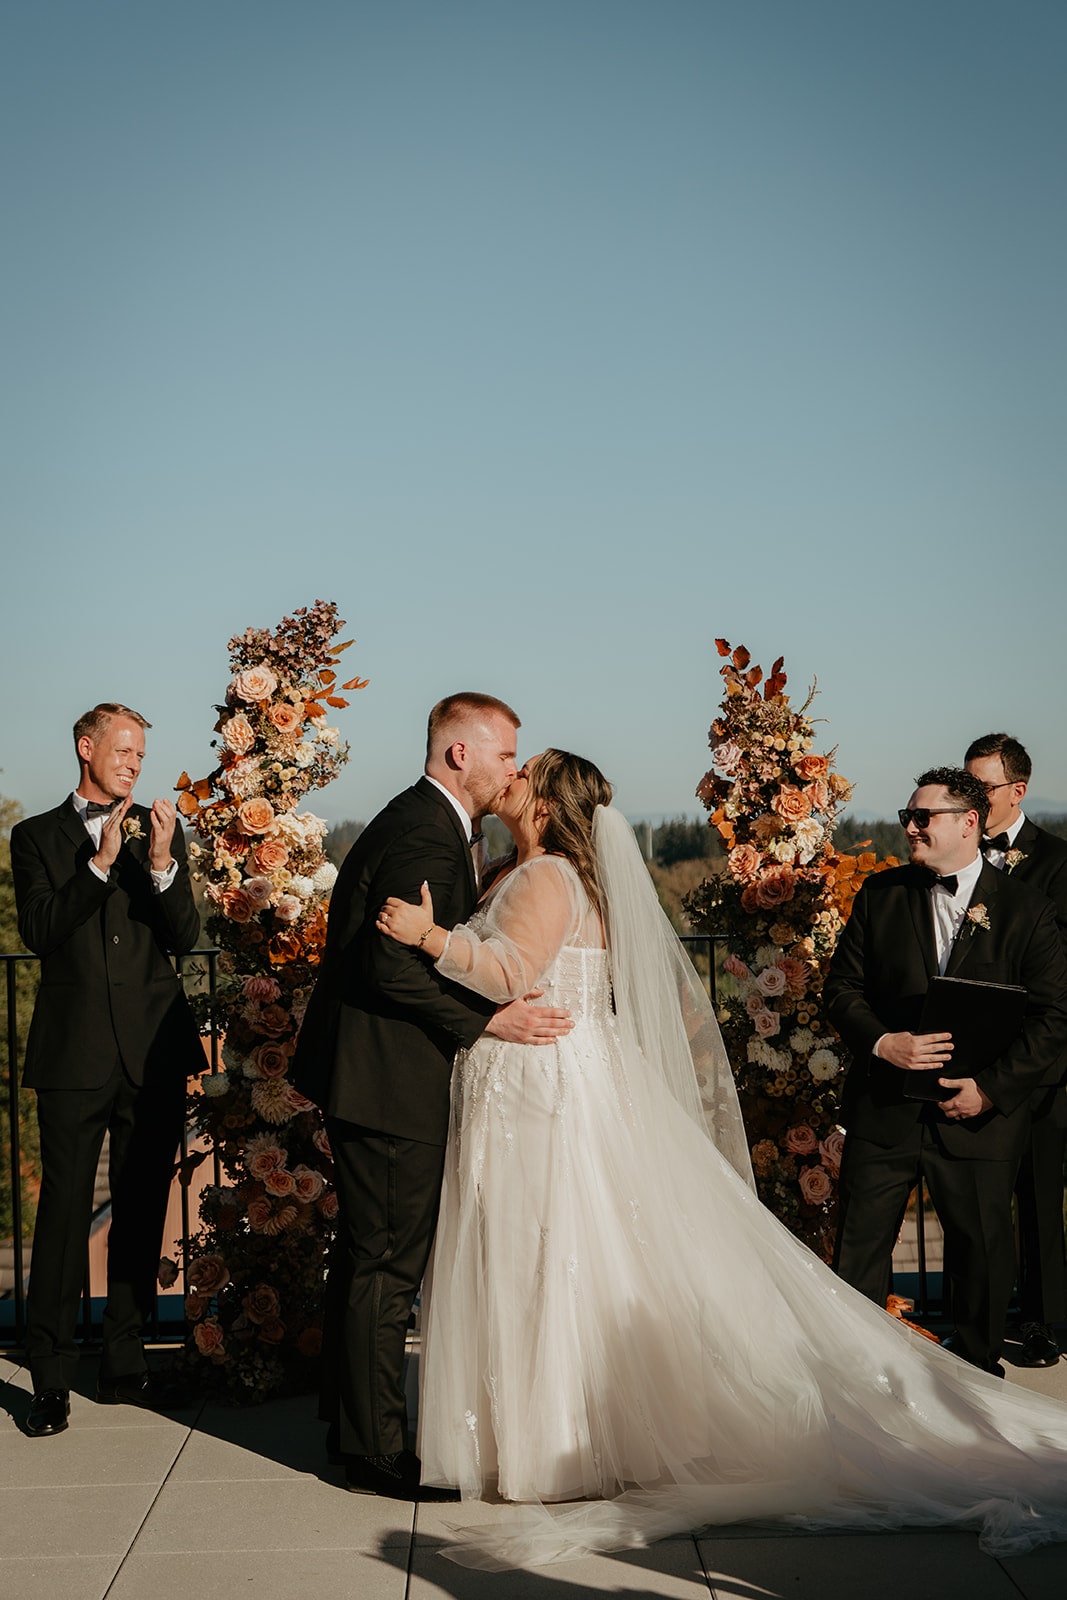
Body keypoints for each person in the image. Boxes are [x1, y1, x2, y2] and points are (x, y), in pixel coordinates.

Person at [376, 750, 1067, 1567]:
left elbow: (507, 972)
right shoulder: (548, 875)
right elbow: (837, 989)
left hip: (543, 1085)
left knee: (549, 1250)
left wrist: (426, 938)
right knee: (572, 1252)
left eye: (525, 773)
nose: (511, 780)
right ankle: (566, 1432)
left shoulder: (541, 880)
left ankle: (553, 1437)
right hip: (568, 1078)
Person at [291, 693, 573, 1502]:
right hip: (389, 1081)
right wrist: (487, 1021)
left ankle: (350, 1428)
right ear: (460, 753)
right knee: (387, 1261)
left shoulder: (423, 820)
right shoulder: (425, 832)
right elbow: (389, 967)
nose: (513, 768)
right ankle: (378, 1452)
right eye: (504, 754)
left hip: (373, 1073)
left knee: (364, 1254)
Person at [825, 766, 1067, 1376]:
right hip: (885, 1110)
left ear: (968, 823)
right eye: (908, 816)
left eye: (922, 817)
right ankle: (855, 1374)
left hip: (978, 1118)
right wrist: (884, 1043)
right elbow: (840, 991)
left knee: (983, 1254)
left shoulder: (1026, 909)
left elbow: (1053, 1016)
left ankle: (977, 1373)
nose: (910, 827)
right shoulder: (880, 896)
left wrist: (990, 1089)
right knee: (858, 1251)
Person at [10, 703, 202, 1438]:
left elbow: (183, 936)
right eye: (123, 750)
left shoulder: (160, 834)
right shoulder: (34, 837)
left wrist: (158, 865)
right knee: (62, 1217)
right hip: (73, 1057)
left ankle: (124, 1364)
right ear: (86, 749)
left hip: (152, 1052)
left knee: (140, 1210)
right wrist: (98, 864)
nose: (133, 763)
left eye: (140, 754)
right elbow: (40, 929)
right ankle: (50, 1381)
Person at [965, 732, 1067, 1367]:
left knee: (1037, 1197)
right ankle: (976, 1319)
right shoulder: (959, 857)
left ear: (1017, 792)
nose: (971, 799)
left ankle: (1042, 1322)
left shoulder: (1059, 862)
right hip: (971, 1059)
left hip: (1041, 1064)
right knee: (973, 1201)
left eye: (983, 788)